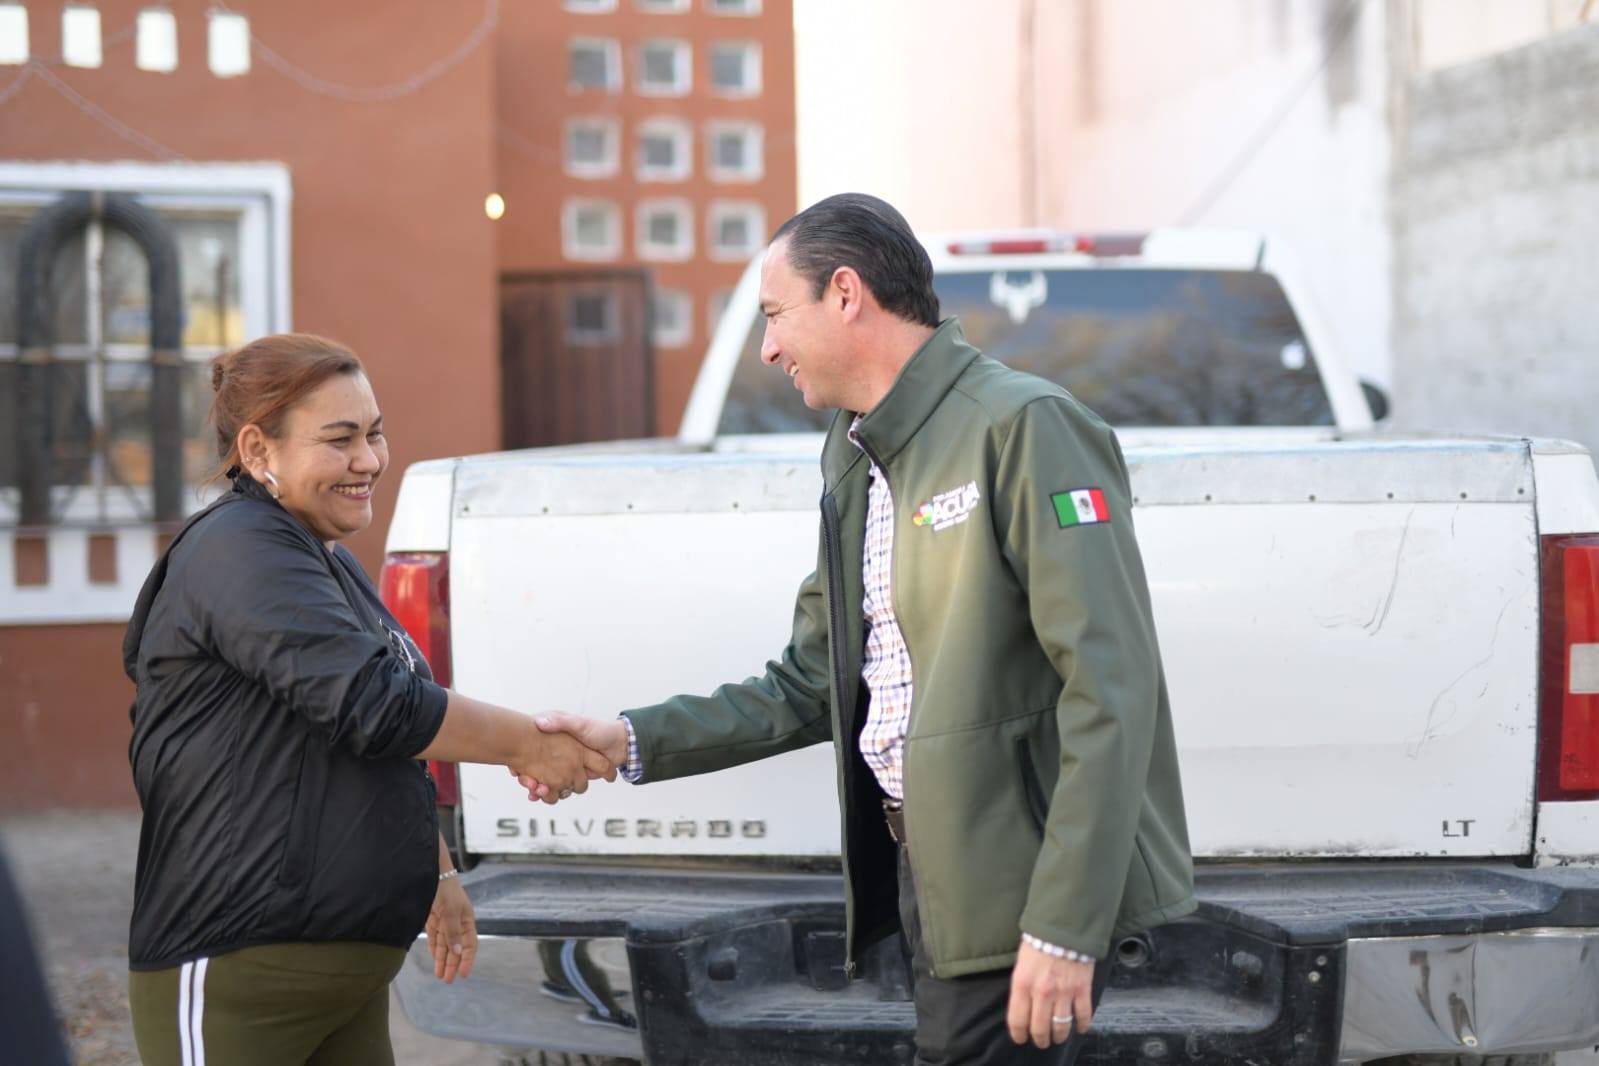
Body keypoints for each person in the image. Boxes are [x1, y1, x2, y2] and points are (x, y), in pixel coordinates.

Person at [531, 194, 1196, 1065]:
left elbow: (1110, 688)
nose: (768, 348)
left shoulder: (1023, 426)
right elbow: (813, 680)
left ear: (845, 293)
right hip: (932, 873)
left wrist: (1065, 925)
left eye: (775, 315)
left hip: (1019, 882)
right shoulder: (854, 454)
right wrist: (629, 739)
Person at [123, 333, 613, 1066]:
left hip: (342, 963)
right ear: (258, 448)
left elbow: (379, 731)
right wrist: (529, 744)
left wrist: (435, 871)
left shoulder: (324, 559)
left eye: (374, 434)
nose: (369, 460)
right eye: (340, 439)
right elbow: (372, 703)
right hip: (234, 958)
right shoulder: (238, 549)